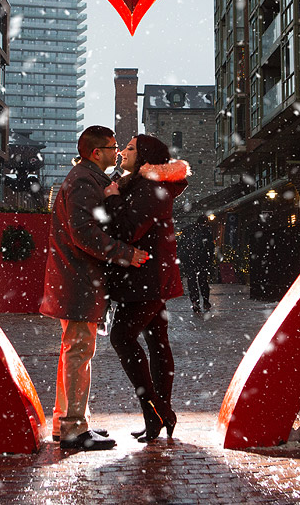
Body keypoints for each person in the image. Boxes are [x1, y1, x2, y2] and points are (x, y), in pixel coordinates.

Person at [40, 125, 149, 451]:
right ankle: (73, 429)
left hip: (76, 280)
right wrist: (126, 254)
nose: (117, 152)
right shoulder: (84, 182)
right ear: (96, 152)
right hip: (79, 282)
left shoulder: (84, 180)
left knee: (73, 351)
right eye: (113, 147)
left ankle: (69, 422)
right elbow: (84, 234)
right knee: (78, 353)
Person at [103, 134, 188, 442]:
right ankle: (159, 414)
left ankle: (156, 410)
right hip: (148, 277)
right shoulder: (142, 183)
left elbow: (129, 229)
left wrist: (112, 197)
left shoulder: (149, 186)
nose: (122, 152)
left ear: (144, 157)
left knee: (122, 337)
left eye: (129, 148)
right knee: (157, 343)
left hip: (145, 279)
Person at [180, 222, 216, 319]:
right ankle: (205, 301)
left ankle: (195, 301)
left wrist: (184, 259)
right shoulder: (205, 231)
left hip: (190, 260)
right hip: (202, 260)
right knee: (203, 280)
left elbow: (181, 247)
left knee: (192, 281)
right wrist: (209, 259)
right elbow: (210, 246)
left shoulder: (187, 231)